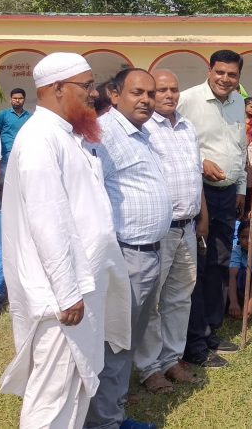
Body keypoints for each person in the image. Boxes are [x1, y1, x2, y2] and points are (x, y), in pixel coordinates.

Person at [0, 52, 129, 428]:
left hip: (81, 285)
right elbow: (47, 221)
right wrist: (68, 292)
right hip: (60, 295)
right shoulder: (40, 139)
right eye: (86, 86)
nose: (94, 93)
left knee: (75, 383)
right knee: (52, 395)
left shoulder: (66, 135)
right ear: (57, 88)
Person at [85, 68, 172, 429]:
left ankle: (113, 412)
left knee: (128, 339)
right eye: (138, 93)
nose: (147, 100)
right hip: (126, 254)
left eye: (151, 94)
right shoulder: (104, 135)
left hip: (148, 252)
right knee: (116, 342)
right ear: (114, 93)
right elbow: (92, 195)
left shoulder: (141, 134)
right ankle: (105, 422)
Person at [136, 70, 205, 391]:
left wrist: (202, 214)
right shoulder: (144, 129)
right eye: (161, 90)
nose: (168, 95)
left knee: (179, 297)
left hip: (187, 226)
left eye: (173, 89)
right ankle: (149, 367)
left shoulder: (187, 127)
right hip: (159, 229)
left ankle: (172, 359)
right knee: (152, 300)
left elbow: (195, 172)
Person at [178, 50, 247, 368]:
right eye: (220, 72)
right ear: (209, 70)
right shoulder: (187, 100)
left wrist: (241, 188)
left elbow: (240, 147)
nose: (225, 79)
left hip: (229, 195)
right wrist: (199, 161)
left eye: (232, 75)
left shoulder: (239, 102)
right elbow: (170, 142)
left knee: (220, 263)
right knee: (199, 265)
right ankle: (193, 342)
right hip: (199, 194)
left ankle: (210, 331)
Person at [0, 88, 32, 177]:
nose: (17, 100)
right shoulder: (2, 115)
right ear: (10, 99)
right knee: (4, 180)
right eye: (15, 98)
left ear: (24, 100)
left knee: (22, 179)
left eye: (20, 98)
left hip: (24, 153)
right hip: (6, 154)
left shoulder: (30, 117)